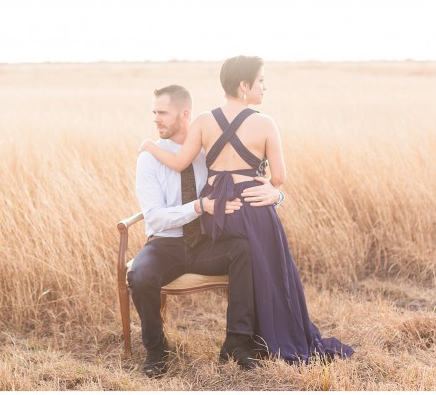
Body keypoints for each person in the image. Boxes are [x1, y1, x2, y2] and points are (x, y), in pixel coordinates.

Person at [140, 56, 354, 364]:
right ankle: (256, 340)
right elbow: (279, 177)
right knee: (273, 271)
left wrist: (149, 145)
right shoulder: (266, 123)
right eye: (261, 81)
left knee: (244, 260)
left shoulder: (203, 120)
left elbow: (178, 162)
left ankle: (241, 340)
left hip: (217, 211)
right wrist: (273, 190)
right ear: (243, 86)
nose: (265, 87)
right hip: (252, 206)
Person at [129, 84, 284, 377]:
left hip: (206, 242)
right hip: (166, 245)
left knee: (243, 249)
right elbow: (155, 219)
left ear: (184, 114)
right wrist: (199, 207)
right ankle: (156, 350)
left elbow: (255, 183)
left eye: (162, 113)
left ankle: (237, 342)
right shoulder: (149, 158)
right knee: (140, 274)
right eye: (154, 113)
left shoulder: (210, 152)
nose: (156, 119)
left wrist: (277, 195)